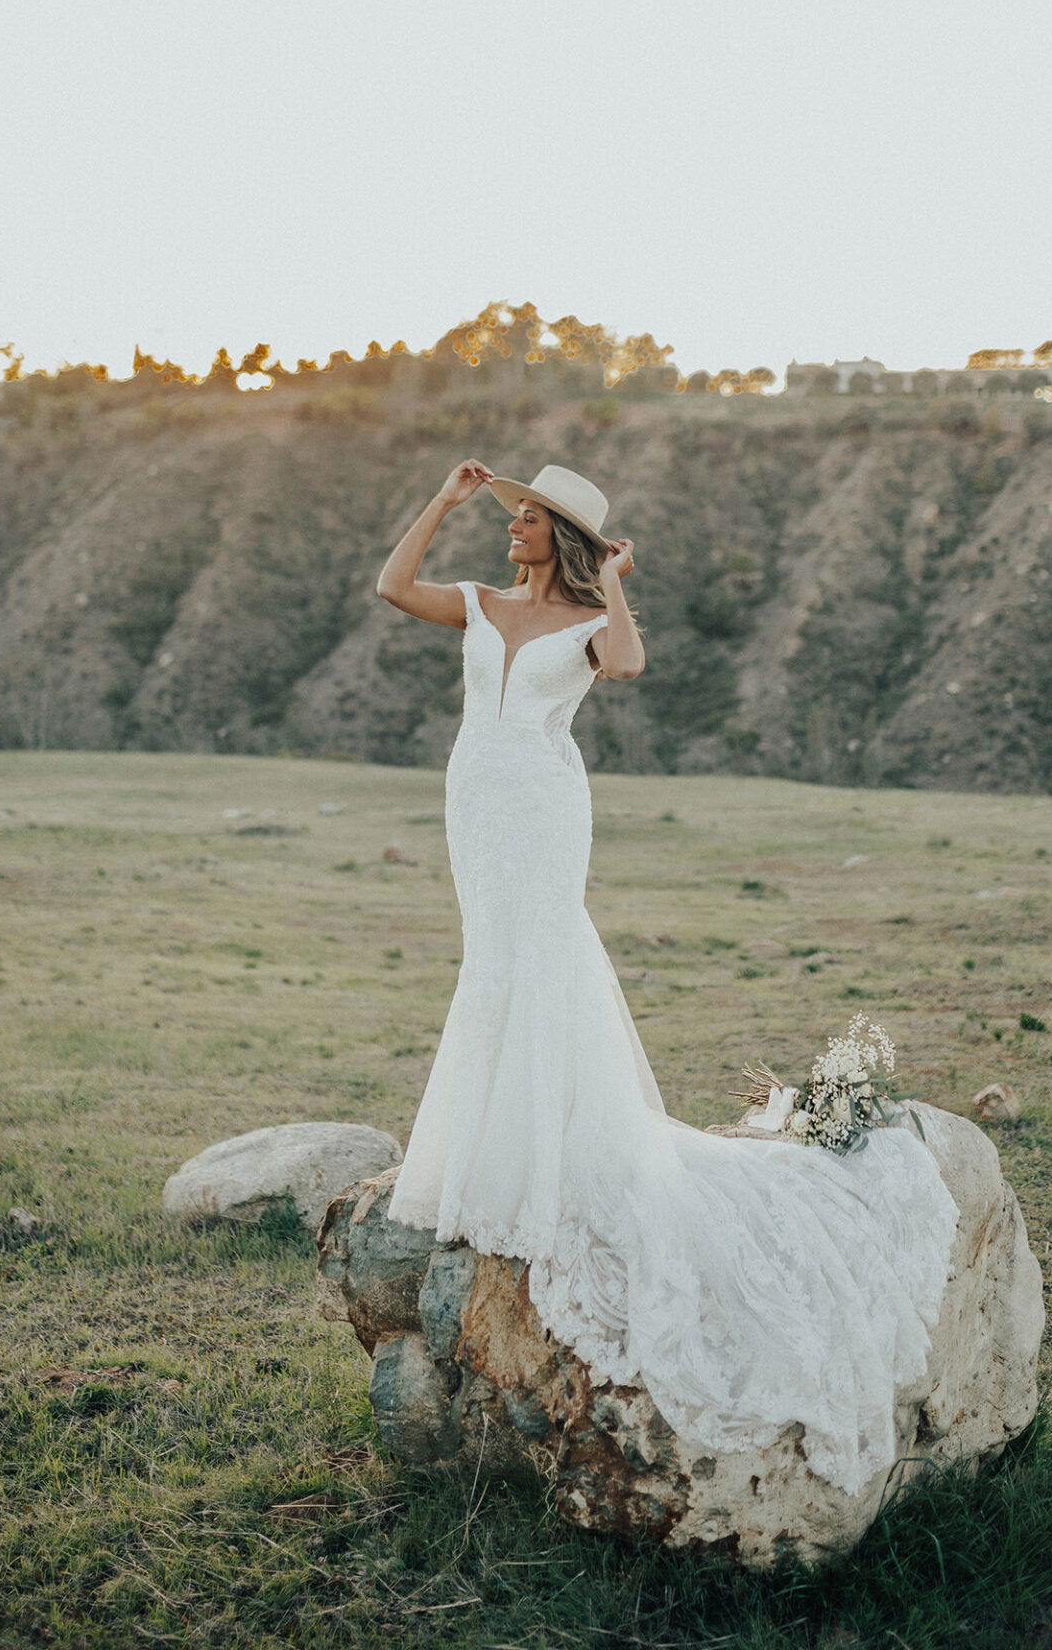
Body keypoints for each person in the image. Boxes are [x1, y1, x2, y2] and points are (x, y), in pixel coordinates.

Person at [374, 457, 959, 1498]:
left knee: (547, 954)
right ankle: (498, 1146)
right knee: (494, 963)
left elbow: (629, 662)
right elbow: (390, 586)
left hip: (547, 805)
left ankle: (558, 1150)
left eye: (522, 520)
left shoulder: (583, 621)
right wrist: (444, 500)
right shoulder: (478, 602)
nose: (508, 530)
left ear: (559, 535)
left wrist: (617, 580)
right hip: (477, 795)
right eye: (505, 516)